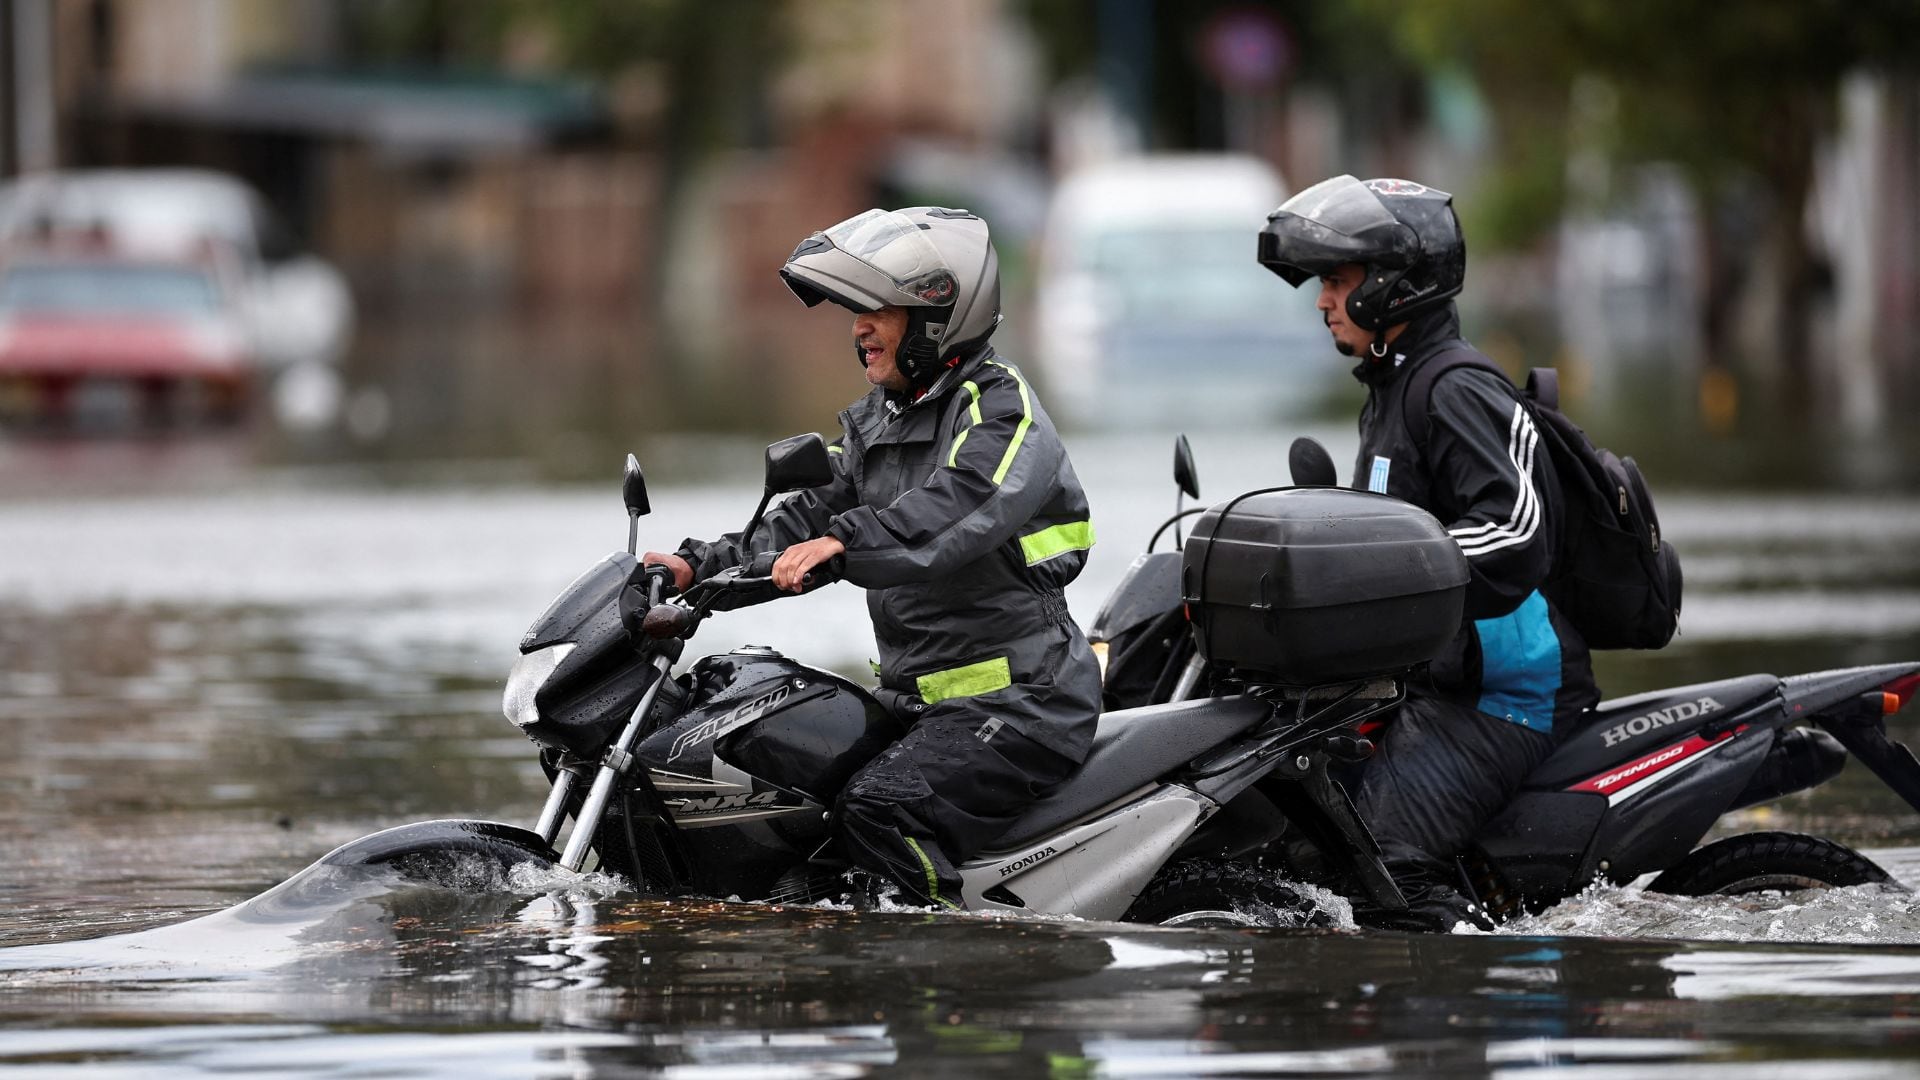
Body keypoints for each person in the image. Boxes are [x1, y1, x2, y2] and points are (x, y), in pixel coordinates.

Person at [643, 206, 1101, 909]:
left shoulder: (1001, 412)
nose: (857, 328)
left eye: (877, 309)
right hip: (919, 703)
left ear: (934, 316)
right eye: (854, 309)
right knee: (794, 790)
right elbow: (803, 515)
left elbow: (963, 503)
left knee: (884, 808)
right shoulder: (878, 423)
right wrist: (691, 568)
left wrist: (845, 544)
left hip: (1022, 705)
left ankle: (941, 980)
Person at [1256, 175, 1600, 931]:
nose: (1322, 301)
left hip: (1503, 692)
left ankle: (1451, 1020)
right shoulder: (1393, 389)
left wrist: (1391, 570)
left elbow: (1517, 530)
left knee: (1382, 860)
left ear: (1393, 289)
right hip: (1432, 681)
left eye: (1337, 282)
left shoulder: (1455, 390)